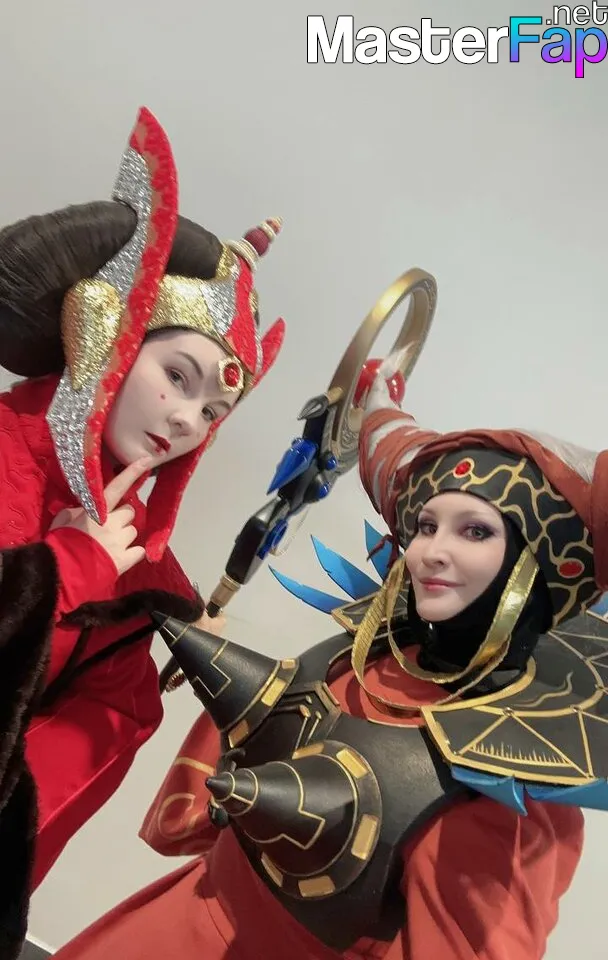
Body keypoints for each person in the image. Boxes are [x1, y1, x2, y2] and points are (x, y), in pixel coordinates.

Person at [51, 357, 608, 960]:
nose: (430, 552)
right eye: (426, 526)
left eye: (475, 531)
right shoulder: (364, 656)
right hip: (178, 921)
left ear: (538, 564)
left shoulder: (517, 779)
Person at [0, 105, 285, 959]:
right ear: (112, 340)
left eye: (214, 408)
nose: (190, 418)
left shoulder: (134, 561)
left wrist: (179, 625)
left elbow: (101, 729)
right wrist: (60, 573)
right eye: (178, 375)